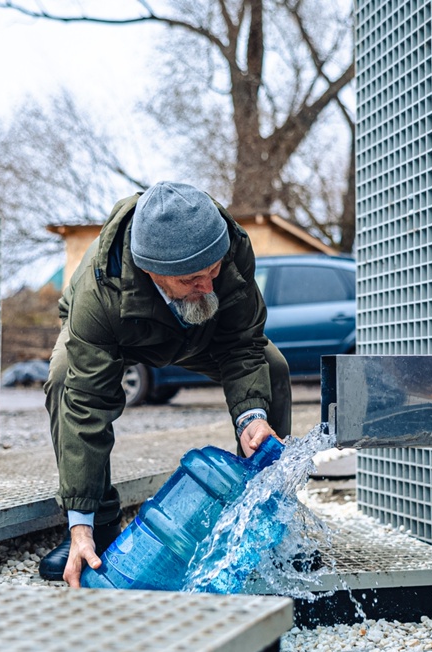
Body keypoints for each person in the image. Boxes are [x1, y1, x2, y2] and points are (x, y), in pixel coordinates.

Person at [39, 181, 292, 586]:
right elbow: (88, 403)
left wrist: (251, 416)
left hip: (197, 332)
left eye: (214, 270)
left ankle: (261, 521)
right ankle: (97, 528)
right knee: (64, 378)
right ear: (151, 270)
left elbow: (242, 344)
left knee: (272, 366)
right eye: (193, 278)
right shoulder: (99, 292)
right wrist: (79, 524)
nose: (208, 286)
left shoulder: (230, 246)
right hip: (120, 332)